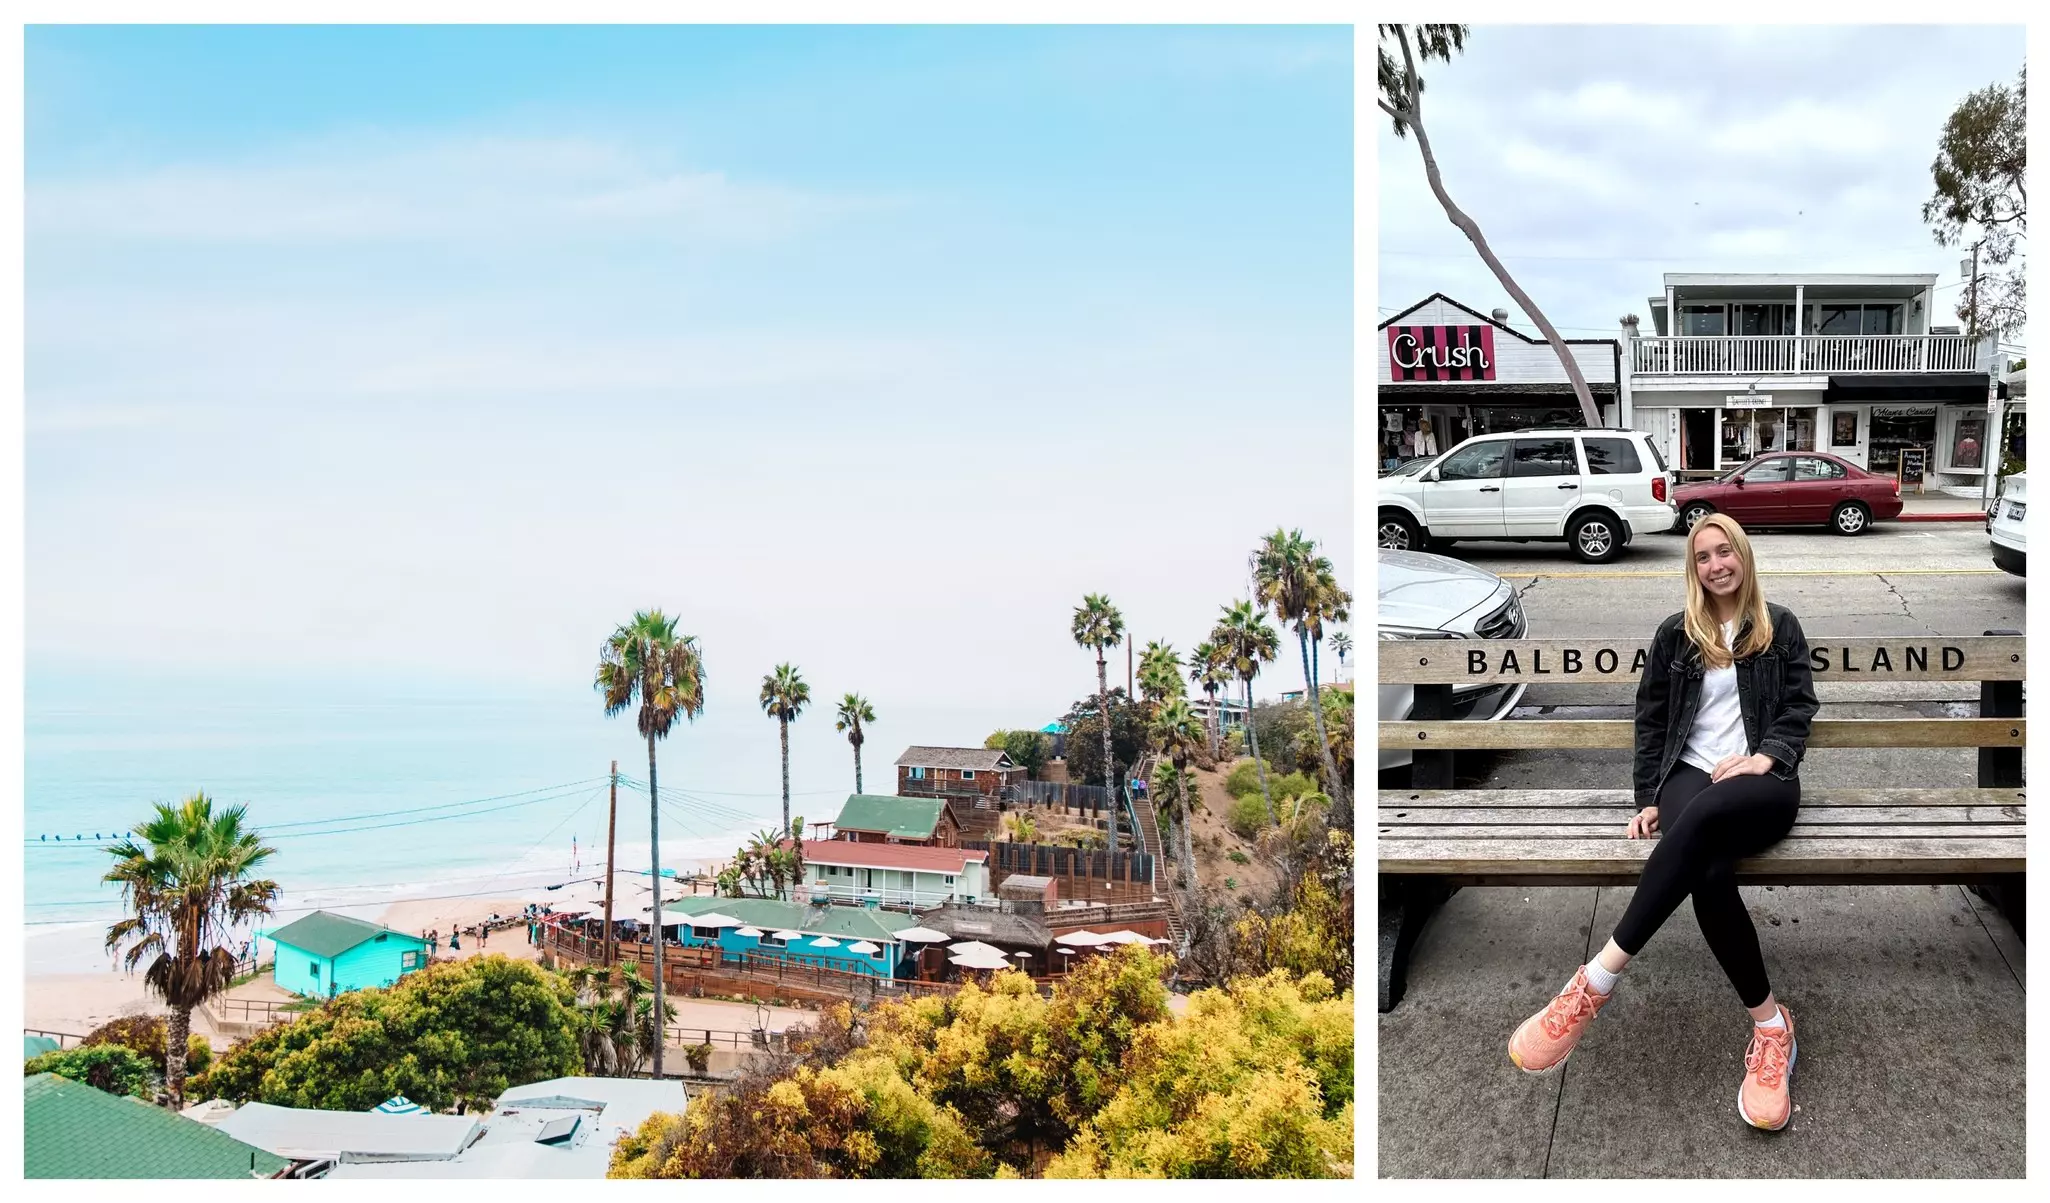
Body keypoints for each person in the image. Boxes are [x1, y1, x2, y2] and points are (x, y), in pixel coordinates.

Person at [1506, 513, 1819, 1132]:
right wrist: (1650, 794)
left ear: (1743, 555)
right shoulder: (1677, 634)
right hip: (1688, 776)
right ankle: (1771, 1027)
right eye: (1702, 556)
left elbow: (1800, 704)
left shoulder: (1778, 626)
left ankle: (1593, 983)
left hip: (1764, 783)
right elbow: (1652, 721)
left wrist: (1764, 755)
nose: (1715, 565)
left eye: (1724, 551)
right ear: (1693, 569)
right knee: (1705, 868)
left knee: (1698, 833)